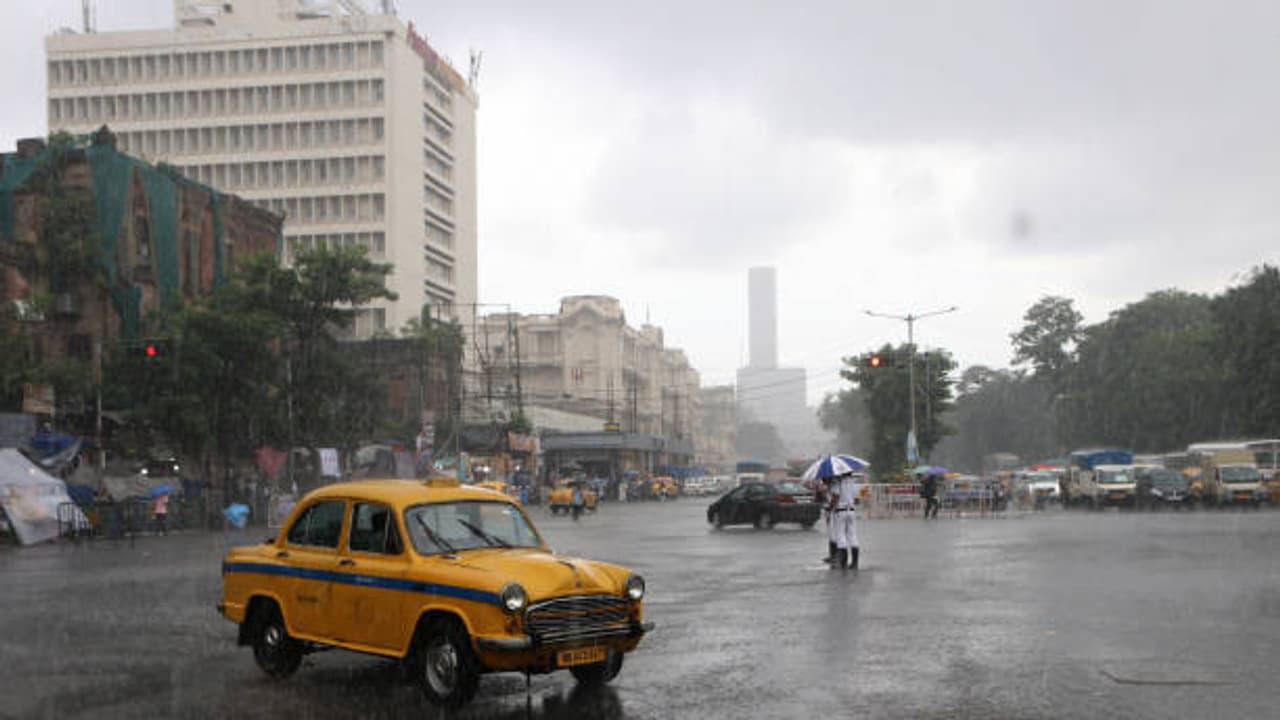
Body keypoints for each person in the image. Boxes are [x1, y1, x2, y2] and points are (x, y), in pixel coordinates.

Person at [828, 472, 860, 570]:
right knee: (853, 535)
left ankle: (844, 563)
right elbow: (857, 500)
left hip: (840, 511)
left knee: (841, 536)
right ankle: (854, 563)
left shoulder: (837, 483)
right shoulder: (854, 484)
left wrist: (830, 509)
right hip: (851, 511)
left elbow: (835, 497)